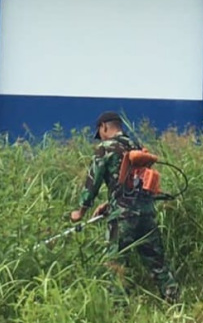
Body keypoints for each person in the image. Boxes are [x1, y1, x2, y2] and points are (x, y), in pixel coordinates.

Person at [70, 111, 180, 303]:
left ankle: (119, 309)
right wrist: (109, 203)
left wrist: (81, 211)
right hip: (146, 213)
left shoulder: (106, 148)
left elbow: (92, 182)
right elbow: (132, 183)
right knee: (156, 261)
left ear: (104, 127)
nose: (101, 137)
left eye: (100, 132)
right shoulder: (136, 147)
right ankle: (173, 300)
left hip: (123, 217)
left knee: (116, 263)